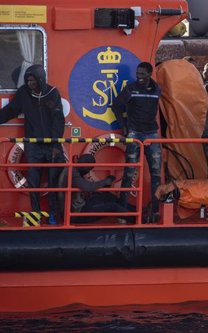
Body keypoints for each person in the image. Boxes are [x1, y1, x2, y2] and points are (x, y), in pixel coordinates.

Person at [0, 65, 64, 224]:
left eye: (32, 80)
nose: (29, 83)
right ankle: (36, 213)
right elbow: (10, 111)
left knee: (53, 182)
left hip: (51, 145)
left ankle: (53, 214)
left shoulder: (52, 93)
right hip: (33, 145)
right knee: (34, 182)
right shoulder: (23, 94)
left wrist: (56, 144)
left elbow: (58, 120)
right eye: (27, 80)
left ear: (40, 80)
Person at [112, 61, 162, 223]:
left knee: (156, 173)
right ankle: (122, 212)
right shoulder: (131, 89)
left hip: (152, 134)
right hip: (134, 133)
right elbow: (117, 106)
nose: (139, 77)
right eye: (138, 73)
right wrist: (125, 127)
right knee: (129, 172)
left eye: (142, 74)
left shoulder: (157, 90)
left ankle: (155, 211)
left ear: (149, 74)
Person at [58, 154, 132, 224]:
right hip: (76, 214)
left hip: (79, 207)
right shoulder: (72, 173)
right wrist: (106, 181)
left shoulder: (72, 169)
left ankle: (136, 210)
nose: (88, 172)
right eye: (89, 169)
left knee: (109, 197)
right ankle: (137, 218)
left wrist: (103, 184)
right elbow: (88, 187)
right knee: (112, 206)